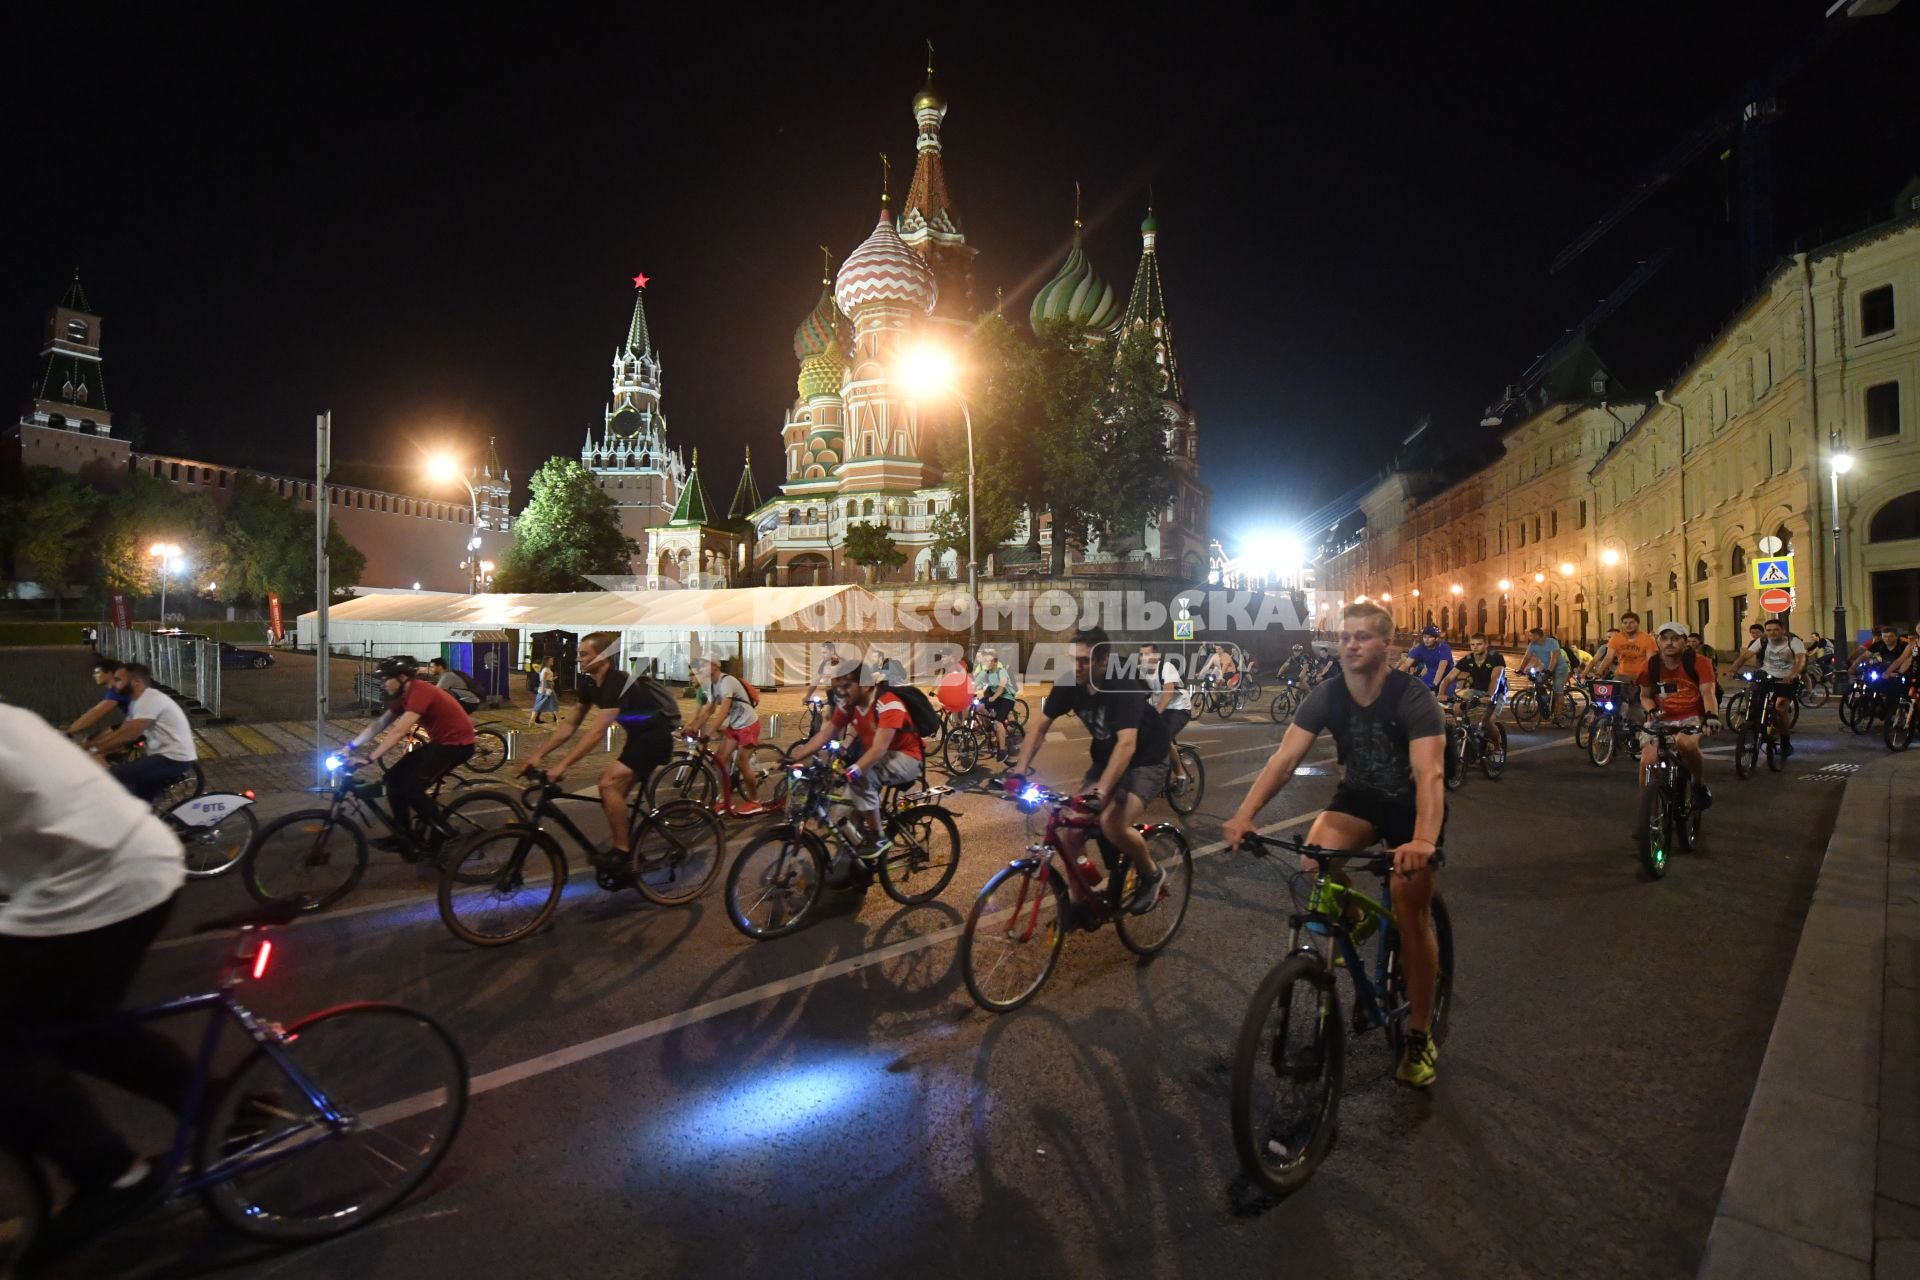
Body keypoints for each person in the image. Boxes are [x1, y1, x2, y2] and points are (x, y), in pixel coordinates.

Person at [1224, 601, 1447, 1088]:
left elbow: (1430, 776)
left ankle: (1419, 1032)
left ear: (1386, 644)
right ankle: (1357, 915)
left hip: (1411, 811)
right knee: (1313, 860)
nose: (1351, 644)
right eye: (1345, 635)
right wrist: (1246, 814)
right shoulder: (1327, 695)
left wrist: (1424, 840)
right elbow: (1284, 760)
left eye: (1363, 636)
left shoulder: (1412, 698)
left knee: (1411, 910)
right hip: (1361, 799)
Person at [0, 703, 195, 1254]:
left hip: (102, 880)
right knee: (73, 1025)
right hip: (98, 867)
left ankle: (113, 1175)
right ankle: (214, 1102)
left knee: (15, 1037)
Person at [1007, 627, 1169, 916]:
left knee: (1111, 823)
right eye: (1074, 660)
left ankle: (1152, 874)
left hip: (1146, 759)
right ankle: (1082, 901)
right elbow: (1040, 727)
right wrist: (1019, 772)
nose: (1077, 667)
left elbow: (1127, 744)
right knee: (1069, 829)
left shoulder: (1122, 684)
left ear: (1103, 660)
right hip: (1106, 758)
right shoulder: (1070, 683)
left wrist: (1102, 791)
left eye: (1084, 661)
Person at [517, 632, 680, 873]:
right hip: (637, 738)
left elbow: (596, 732)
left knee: (607, 783)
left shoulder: (615, 682)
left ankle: (624, 854)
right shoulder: (591, 684)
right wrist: (538, 755)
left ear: (603, 657)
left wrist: (562, 766)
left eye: (584, 655)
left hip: (654, 739)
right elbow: (570, 725)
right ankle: (632, 852)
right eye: (578, 655)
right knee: (612, 799)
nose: (578, 659)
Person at [789, 656, 925, 875]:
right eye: (838, 687)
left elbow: (879, 749)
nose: (841, 692)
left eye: (846, 686)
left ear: (864, 684)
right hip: (880, 757)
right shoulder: (850, 705)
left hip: (906, 758)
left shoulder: (887, 703)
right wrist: (794, 758)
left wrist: (851, 772)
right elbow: (826, 733)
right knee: (844, 808)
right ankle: (857, 865)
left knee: (861, 777)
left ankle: (878, 838)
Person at [344, 656, 475, 855]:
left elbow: (398, 732)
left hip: (457, 746)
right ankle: (403, 835)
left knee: (412, 789)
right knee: (392, 780)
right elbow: (380, 724)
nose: (382, 683)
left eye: (386, 678)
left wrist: (369, 758)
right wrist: (349, 747)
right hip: (440, 743)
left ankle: (452, 837)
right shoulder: (403, 697)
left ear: (403, 677)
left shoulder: (420, 691)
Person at [81, 664, 197, 802]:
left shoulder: (150, 700)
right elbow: (122, 731)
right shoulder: (136, 702)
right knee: (142, 798)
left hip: (172, 759)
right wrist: (93, 746)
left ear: (135, 682)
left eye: (118, 680)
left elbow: (129, 735)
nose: (113, 684)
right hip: (161, 755)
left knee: (110, 776)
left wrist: (95, 750)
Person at [1638, 622, 1719, 812]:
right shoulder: (1650, 665)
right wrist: (1651, 711)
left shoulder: (1699, 662)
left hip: (1692, 716)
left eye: (1675, 639)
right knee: (1647, 761)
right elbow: (1645, 696)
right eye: (1664, 638)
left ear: (1685, 642)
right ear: (1658, 642)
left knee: (1686, 743)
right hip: (1660, 719)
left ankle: (1698, 784)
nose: (1669, 643)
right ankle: (1647, 811)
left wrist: (1711, 716)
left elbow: (1708, 692)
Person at [683, 655, 768, 815]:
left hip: (748, 725)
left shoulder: (726, 682)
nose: (700, 668)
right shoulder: (713, 686)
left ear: (715, 666)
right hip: (735, 725)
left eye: (704, 665)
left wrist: (707, 733)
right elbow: (709, 710)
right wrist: (693, 727)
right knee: (719, 761)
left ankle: (755, 802)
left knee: (743, 763)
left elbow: (722, 713)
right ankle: (723, 801)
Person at [1732, 617, 1807, 757]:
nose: (1772, 633)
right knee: (1752, 696)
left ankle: (1785, 742)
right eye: (1769, 630)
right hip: (1766, 675)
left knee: (1780, 707)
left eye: (1776, 630)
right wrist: (1733, 669)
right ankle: (1753, 725)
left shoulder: (1793, 642)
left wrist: (1793, 674)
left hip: (1787, 679)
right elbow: (1745, 656)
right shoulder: (1762, 641)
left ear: (1783, 630)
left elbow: (1800, 660)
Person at [1440, 633, 1508, 758]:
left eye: (1479, 644)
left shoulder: (1496, 658)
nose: (1475, 647)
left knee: (1488, 722)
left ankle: (1498, 749)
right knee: (1456, 707)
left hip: (1496, 693)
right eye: (1472, 644)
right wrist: (1441, 694)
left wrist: (1489, 696)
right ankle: (1466, 732)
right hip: (1476, 691)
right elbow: (1449, 678)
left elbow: (1495, 679)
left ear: (1486, 645)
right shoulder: (1468, 659)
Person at [1140, 640, 1194, 792]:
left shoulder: (1166, 667)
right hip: (1160, 709)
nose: (1143, 658)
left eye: (1147, 654)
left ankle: (1181, 775)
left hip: (1178, 708)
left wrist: (1155, 714)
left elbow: (1168, 694)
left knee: (1163, 736)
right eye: (1141, 655)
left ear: (1157, 656)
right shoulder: (1140, 672)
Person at [1587, 612, 1659, 697]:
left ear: (1638, 624)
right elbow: (1608, 658)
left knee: (1636, 705)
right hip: (1621, 676)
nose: (1628, 625)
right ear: (1622, 625)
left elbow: (1650, 661)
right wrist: (1598, 673)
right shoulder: (1616, 638)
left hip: (1640, 677)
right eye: (1625, 623)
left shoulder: (1647, 639)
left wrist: (1646, 678)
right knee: (1611, 699)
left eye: (1632, 622)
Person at [65, 658, 131, 741]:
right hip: (135, 722)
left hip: (143, 727)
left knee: (93, 744)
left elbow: (95, 714)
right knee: (95, 739)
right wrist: (73, 726)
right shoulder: (122, 685)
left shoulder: (118, 690)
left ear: (109, 673)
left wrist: (69, 731)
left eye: (97, 672)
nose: (94, 676)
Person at [973, 647, 1019, 759]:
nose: (987, 663)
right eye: (985, 661)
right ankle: (989, 727)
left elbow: (1002, 686)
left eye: (989, 661)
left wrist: (993, 697)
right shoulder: (985, 672)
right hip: (995, 697)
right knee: (978, 707)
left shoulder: (1001, 671)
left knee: (999, 722)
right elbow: (973, 684)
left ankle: (1002, 750)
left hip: (1007, 698)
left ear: (995, 661)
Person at [1520, 627, 1567, 715]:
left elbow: (1554, 658)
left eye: (1531, 636)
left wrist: (1549, 671)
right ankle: (1546, 700)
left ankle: (1558, 716)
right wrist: (1520, 670)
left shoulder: (1551, 642)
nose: (1529, 638)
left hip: (1559, 668)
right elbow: (1527, 658)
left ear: (1537, 636)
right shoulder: (1532, 644)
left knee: (1558, 691)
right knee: (1538, 681)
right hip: (1545, 667)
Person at [1399, 624, 1455, 692]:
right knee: (1414, 690)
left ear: (1436, 638)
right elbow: (1406, 664)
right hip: (1430, 675)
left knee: (1443, 698)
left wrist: (1434, 686)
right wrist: (1394, 676)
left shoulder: (1444, 648)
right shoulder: (1421, 648)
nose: (1426, 640)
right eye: (1424, 637)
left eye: (1430, 637)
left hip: (1447, 677)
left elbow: (1441, 669)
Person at [530, 656, 559, 727]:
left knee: (542, 703)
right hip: (547, 687)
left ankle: (532, 720)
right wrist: (543, 688)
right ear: (547, 662)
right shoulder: (545, 669)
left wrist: (553, 678)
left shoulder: (546, 669)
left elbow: (546, 678)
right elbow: (543, 679)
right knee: (553, 703)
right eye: (551, 660)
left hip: (547, 686)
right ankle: (559, 720)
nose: (552, 661)